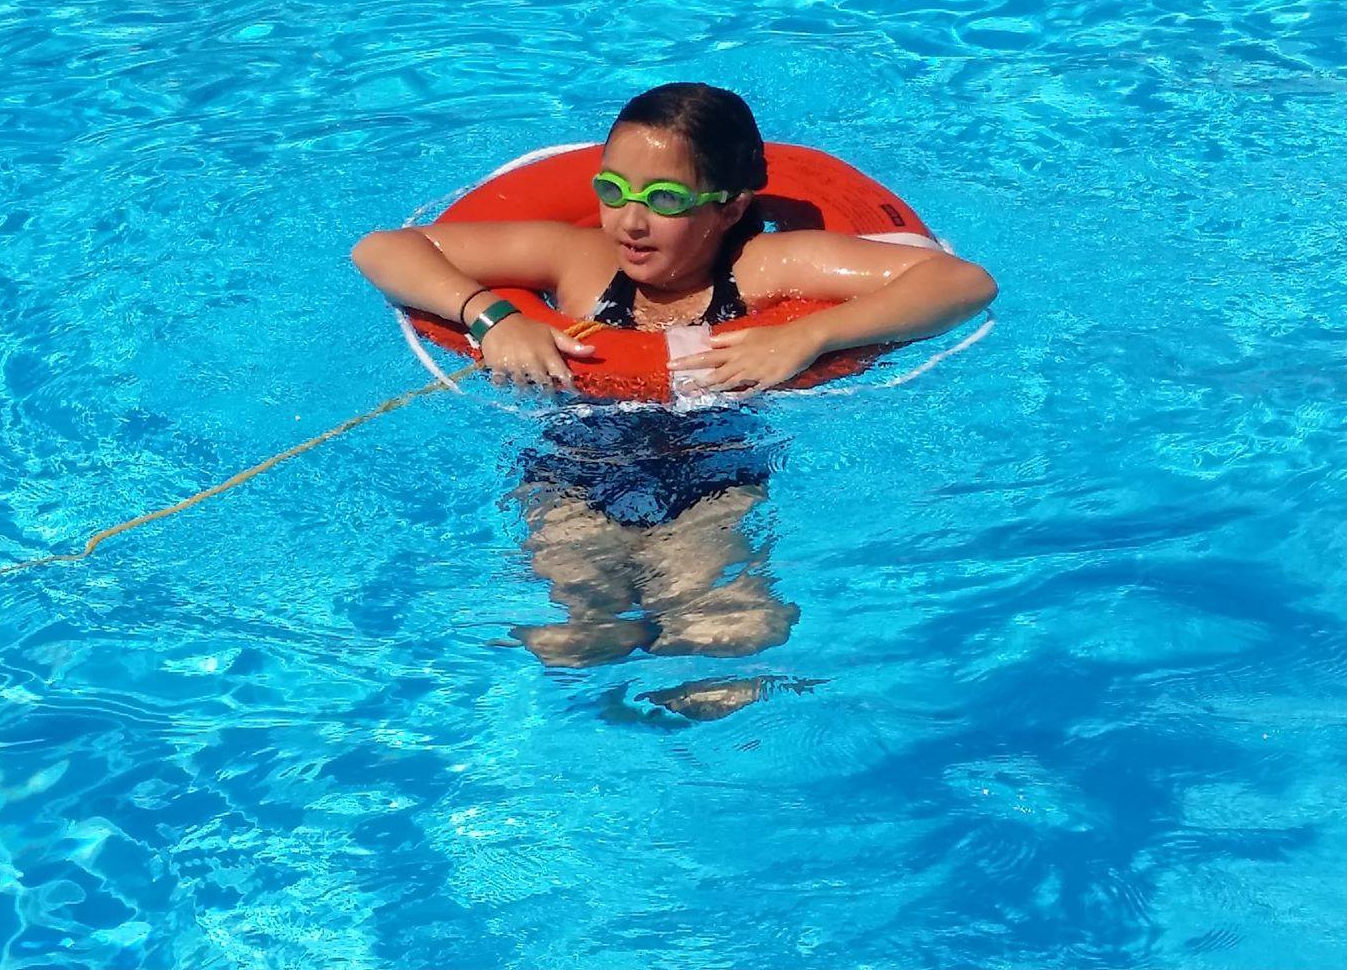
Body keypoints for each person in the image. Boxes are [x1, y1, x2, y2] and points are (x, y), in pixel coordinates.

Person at [353, 83, 996, 712]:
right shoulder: (578, 260)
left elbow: (961, 281)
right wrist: (491, 316)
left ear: (730, 208)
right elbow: (383, 249)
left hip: (716, 472)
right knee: (579, 637)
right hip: (573, 468)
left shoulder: (765, 268)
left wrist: (809, 333)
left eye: (663, 199)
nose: (630, 221)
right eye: (613, 191)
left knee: (723, 636)